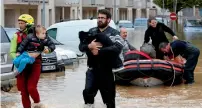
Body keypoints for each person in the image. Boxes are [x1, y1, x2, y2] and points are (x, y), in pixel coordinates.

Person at [79, 9, 124, 108]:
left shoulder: (115, 33)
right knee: (87, 93)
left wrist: (100, 51)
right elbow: (81, 47)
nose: (99, 20)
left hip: (107, 70)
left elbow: (118, 48)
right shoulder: (91, 31)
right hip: (92, 69)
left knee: (109, 99)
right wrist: (89, 47)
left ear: (108, 20)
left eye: (102, 18)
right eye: (98, 17)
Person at [9, 14, 55, 108]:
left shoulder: (39, 33)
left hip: (35, 63)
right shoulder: (16, 35)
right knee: (23, 91)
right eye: (19, 23)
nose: (20, 25)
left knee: (31, 88)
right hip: (22, 65)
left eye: (22, 23)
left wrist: (46, 50)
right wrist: (18, 60)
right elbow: (12, 52)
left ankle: (37, 104)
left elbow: (50, 45)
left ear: (28, 24)